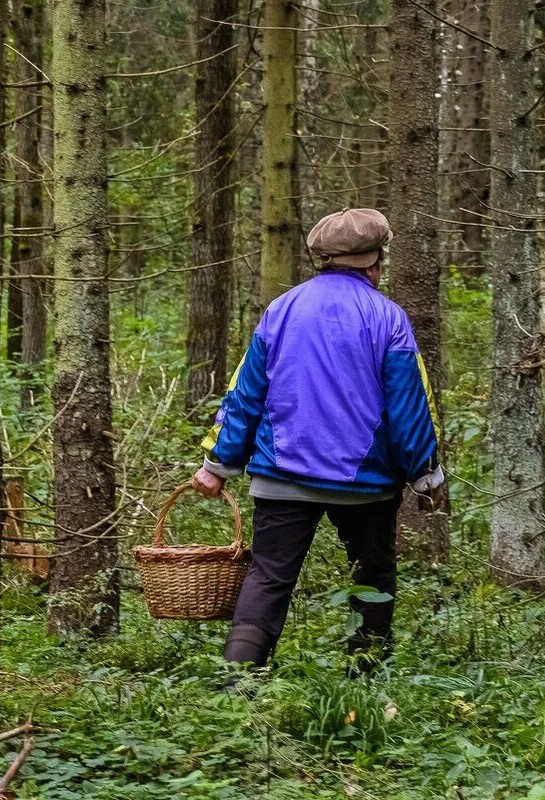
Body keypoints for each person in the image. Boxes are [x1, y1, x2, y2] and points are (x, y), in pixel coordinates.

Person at [191, 208, 446, 673]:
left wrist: (217, 465)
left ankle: (237, 682)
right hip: (366, 485)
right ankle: (364, 682)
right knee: (373, 575)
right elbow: (409, 406)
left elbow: (245, 393)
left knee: (268, 578)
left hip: (280, 475)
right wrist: (427, 477)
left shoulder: (281, 310)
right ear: (375, 262)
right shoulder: (389, 318)